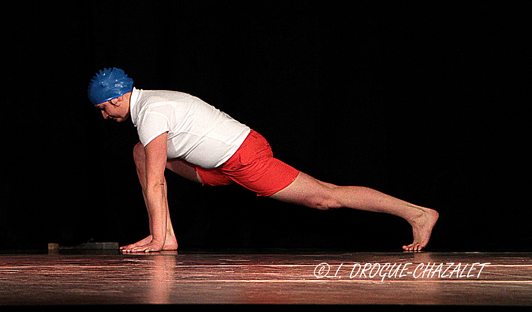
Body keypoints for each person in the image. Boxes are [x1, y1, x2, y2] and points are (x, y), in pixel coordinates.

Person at [89, 67, 438, 254]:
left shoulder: (151, 112)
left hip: (244, 158)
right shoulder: (150, 104)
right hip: (219, 166)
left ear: (117, 97)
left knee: (324, 197)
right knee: (141, 152)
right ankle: (167, 238)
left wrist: (151, 234)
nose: (105, 117)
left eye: (104, 109)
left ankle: (418, 213)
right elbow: (156, 167)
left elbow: (154, 181)